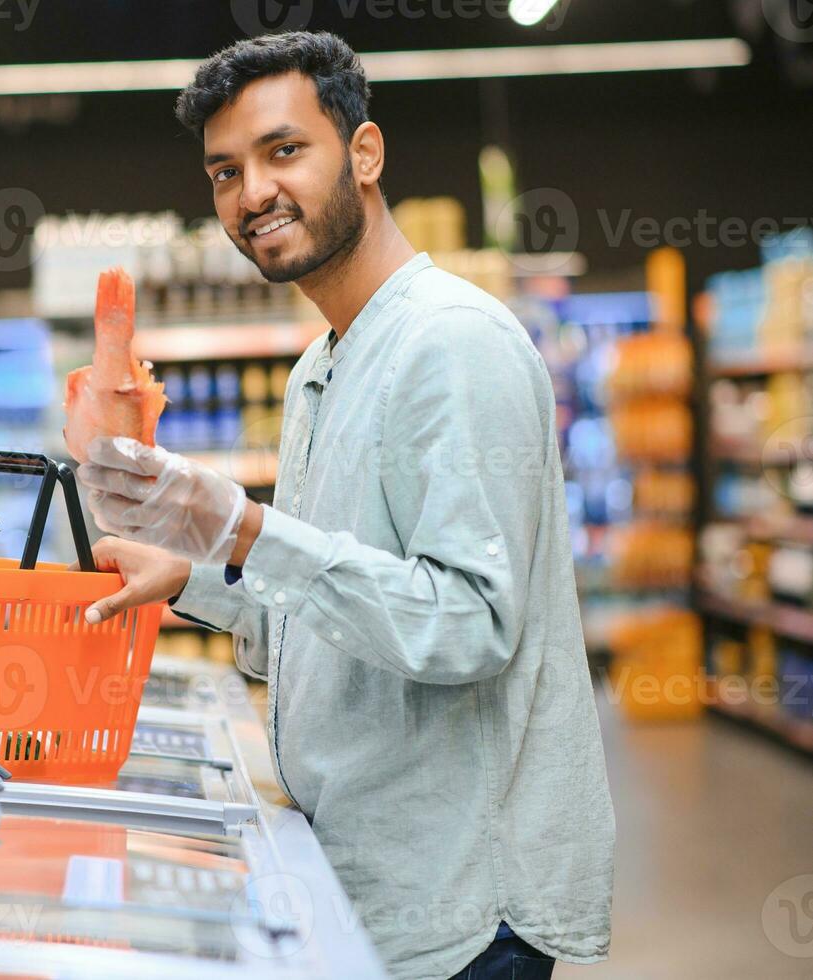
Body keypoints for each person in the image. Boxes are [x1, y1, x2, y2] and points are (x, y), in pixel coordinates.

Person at [75, 31, 615, 980]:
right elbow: (338, 612)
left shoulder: (448, 344)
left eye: (284, 151)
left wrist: (242, 526)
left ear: (363, 154)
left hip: (460, 908)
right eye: (223, 171)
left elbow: (466, 626)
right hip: (371, 882)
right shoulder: (322, 365)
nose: (251, 194)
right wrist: (196, 578)